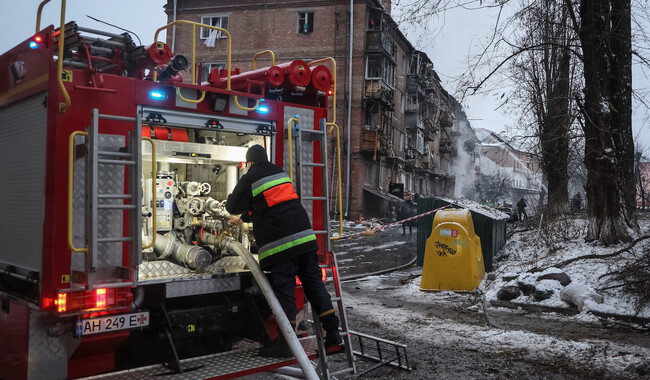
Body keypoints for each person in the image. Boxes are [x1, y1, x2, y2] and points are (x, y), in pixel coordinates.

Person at [225, 145, 342, 357]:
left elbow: (232, 205)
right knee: (314, 286)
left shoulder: (251, 176)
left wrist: (236, 207)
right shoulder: (279, 173)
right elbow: (271, 204)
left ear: (249, 162)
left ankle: (286, 344)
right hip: (305, 240)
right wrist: (244, 218)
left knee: (284, 293)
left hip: (281, 246)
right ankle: (333, 332)